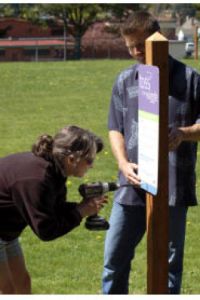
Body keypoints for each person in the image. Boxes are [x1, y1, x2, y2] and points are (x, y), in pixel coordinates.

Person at [102, 11, 200, 294]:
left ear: (159, 40)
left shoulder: (191, 79)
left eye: (140, 45)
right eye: (130, 46)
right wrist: (122, 163)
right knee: (113, 261)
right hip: (132, 184)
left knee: (169, 267)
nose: (135, 52)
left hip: (173, 185)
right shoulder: (124, 81)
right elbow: (115, 128)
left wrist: (184, 134)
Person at [0, 125, 107, 294]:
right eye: (90, 160)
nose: (92, 166)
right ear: (72, 159)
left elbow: (52, 208)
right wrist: (80, 212)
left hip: (6, 231)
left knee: (22, 283)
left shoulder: (55, 170)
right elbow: (46, 229)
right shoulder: (36, 178)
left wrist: (82, 206)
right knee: (6, 289)